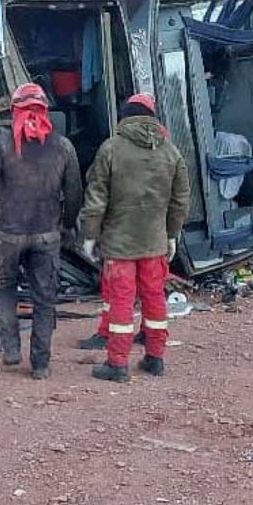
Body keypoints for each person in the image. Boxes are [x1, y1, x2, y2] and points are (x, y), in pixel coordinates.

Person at [0, 83, 82, 379]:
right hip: (47, 235)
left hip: (8, 235)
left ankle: (11, 348)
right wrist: (68, 225)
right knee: (44, 299)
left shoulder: (2, 145)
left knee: (5, 287)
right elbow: (74, 194)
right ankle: (41, 365)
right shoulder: (63, 147)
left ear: (13, 111)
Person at [80, 93, 190, 382]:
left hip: (120, 245)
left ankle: (117, 364)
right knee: (155, 299)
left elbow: (96, 198)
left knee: (121, 301)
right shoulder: (170, 151)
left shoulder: (111, 149)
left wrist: (90, 234)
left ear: (125, 117)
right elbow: (180, 200)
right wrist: (171, 234)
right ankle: (155, 358)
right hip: (155, 243)